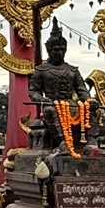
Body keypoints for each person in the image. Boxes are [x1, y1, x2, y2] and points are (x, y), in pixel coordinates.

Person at [28, 20, 92, 149]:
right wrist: (42, 99)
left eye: (63, 49)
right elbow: (33, 92)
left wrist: (89, 100)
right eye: (56, 50)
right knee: (50, 110)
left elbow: (82, 90)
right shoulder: (41, 70)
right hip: (52, 103)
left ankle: (91, 141)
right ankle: (63, 141)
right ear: (49, 50)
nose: (60, 53)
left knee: (91, 109)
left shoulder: (72, 70)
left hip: (71, 104)